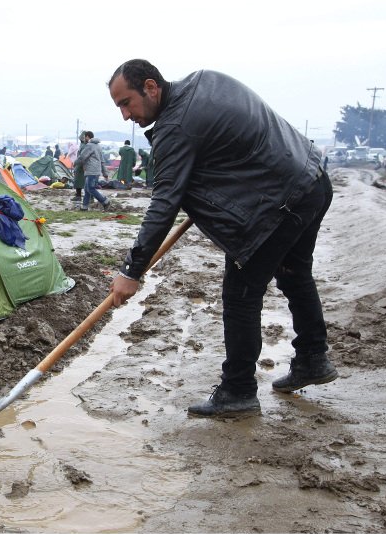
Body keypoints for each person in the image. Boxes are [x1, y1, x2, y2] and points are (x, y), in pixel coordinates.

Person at [107, 59, 336, 418]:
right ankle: (312, 359)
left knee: (241, 294)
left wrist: (131, 271)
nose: (125, 115)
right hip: (312, 179)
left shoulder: (176, 126)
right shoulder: (204, 80)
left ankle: (238, 391)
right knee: (294, 274)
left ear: (151, 87)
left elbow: (164, 204)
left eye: (126, 103)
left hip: (280, 202)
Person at [74, 130, 111, 211]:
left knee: (91, 189)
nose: (84, 139)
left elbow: (82, 157)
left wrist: (75, 163)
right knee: (87, 189)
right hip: (96, 171)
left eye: (85, 137)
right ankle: (84, 206)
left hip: (91, 171)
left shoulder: (89, 145)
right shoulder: (98, 146)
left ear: (87, 137)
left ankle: (105, 201)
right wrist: (105, 173)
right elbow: (102, 161)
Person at [71, 132, 88, 202]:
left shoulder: (84, 145)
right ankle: (79, 195)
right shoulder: (84, 145)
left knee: (79, 181)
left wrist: (75, 163)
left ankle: (78, 196)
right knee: (82, 182)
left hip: (81, 166)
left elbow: (82, 157)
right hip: (81, 165)